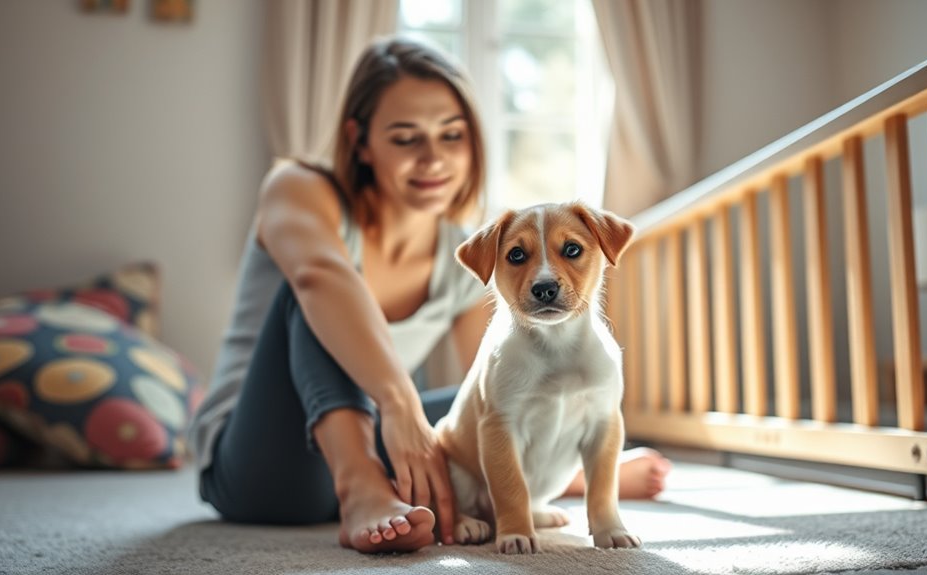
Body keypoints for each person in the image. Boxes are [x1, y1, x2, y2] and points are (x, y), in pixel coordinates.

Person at [188, 36, 671, 555]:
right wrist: (398, 406)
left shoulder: (465, 252)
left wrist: (574, 426)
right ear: (359, 140)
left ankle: (557, 477)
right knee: (303, 297)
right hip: (261, 458)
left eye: (452, 135)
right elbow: (319, 277)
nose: (432, 158)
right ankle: (361, 492)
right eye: (405, 138)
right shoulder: (299, 187)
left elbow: (488, 389)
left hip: (376, 435)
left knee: (482, 402)